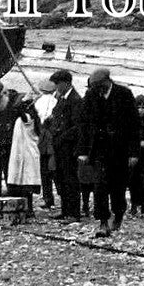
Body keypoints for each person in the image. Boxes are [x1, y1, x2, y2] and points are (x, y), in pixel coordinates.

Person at [82, 69, 139, 238]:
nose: (97, 90)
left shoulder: (124, 94)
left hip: (120, 150)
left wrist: (134, 153)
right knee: (99, 186)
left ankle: (119, 214)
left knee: (118, 187)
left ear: (107, 82)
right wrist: (83, 151)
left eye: (99, 86)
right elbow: (84, 124)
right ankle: (102, 222)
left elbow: (134, 125)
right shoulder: (91, 95)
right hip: (100, 149)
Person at [48, 70, 84, 222]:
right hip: (60, 146)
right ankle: (65, 210)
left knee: (70, 180)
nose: (56, 87)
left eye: (57, 84)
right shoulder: (62, 99)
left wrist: (62, 136)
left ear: (66, 83)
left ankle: (74, 213)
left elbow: (77, 126)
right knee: (61, 178)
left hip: (69, 147)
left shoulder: (75, 100)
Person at [6, 98, 44, 219]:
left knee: (26, 183)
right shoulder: (31, 117)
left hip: (27, 153)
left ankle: (28, 209)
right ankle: (27, 208)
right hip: (23, 153)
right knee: (25, 183)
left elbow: (21, 114)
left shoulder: (28, 117)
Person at [34, 80, 58, 209]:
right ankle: (55, 196)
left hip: (42, 140)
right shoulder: (56, 101)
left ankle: (48, 198)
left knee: (44, 173)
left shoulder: (38, 102)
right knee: (53, 171)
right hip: (52, 140)